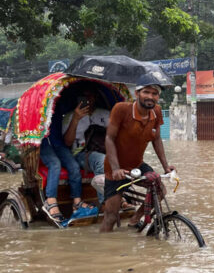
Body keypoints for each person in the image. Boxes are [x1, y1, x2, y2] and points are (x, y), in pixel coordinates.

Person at [99, 82, 175, 232]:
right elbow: (109, 138)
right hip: (116, 168)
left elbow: (157, 139)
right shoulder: (121, 109)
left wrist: (166, 166)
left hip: (137, 164)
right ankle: (105, 250)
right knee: (111, 217)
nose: (150, 96)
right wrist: (115, 169)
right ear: (137, 94)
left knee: (160, 190)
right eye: (146, 92)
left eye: (154, 94)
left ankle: (135, 219)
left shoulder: (157, 111)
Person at [39, 104, 89, 225]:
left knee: (74, 166)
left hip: (58, 143)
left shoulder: (58, 106)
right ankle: (50, 201)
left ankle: (77, 202)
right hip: (43, 144)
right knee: (55, 164)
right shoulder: (38, 106)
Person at [62, 87, 110, 206]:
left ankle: (121, 198)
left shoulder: (106, 114)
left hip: (105, 150)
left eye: (91, 96)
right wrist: (76, 119)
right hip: (81, 153)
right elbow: (67, 142)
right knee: (102, 161)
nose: (88, 99)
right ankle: (105, 203)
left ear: (96, 97)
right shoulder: (70, 116)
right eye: (84, 96)